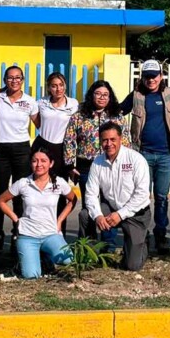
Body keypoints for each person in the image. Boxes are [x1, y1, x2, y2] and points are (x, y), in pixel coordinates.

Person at [120, 60, 170, 255]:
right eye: (147, 76)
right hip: (142, 155)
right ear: (142, 78)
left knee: (162, 198)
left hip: (165, 155)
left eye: (154, 76)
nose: (151, 80)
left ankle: (161, 235)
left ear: (161, 76)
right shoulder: (136, 96)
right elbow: (118, 112)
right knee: (141, 197)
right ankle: (142, 235)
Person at [63, 80, 130, 245]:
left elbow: (125, 141)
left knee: (109, 204)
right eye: (98, 94)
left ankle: (108, 244)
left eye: (105, 95)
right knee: (89, 205)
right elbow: (69, 140)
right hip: (87, 166)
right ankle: (89, 244)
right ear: (91, 95)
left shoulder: (117, 116)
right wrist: (70, 165)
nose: (102, 97)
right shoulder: (79, 116)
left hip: (111, 166)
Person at [0, 148, 77, 278]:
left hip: (50, 233)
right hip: (28, 235)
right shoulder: (23, 183)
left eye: (43, 161)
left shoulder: (58, 183)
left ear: (51, 163)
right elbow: (1, 200)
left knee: (68, 260)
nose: (39, 164)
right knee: (32, 275)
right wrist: (16, 219)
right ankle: (26, 262)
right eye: (35, 161)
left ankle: (45, 258)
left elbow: (73, 200)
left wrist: (60, 220)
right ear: (31, 163)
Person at [81, 122, 151, 271]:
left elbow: (142, 194)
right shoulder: (97, 163)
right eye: (105, 140)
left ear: (120, 139)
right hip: (111, 208)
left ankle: (143, 241)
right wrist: (98, 216)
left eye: (113, 139)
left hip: (135, 213)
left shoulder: (136, 160)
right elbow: (91, 194)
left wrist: (120, 214)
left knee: (131, 266)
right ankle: (90, 256)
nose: (109, 144)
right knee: (86, 215)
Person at [0, 66, 39, 254]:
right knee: (0, 192)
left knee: (20, 193)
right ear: (5, 80)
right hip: (0, 149)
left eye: (18, 77)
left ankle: (18, 232)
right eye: (10, 77)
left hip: (21, 150)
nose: (14, 81)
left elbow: (40, 124)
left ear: (23, 80)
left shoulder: (30, 101)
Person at [33, 72, 79, 236]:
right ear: (48, 88)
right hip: (42, 147)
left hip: (61, 152)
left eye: (61, 85)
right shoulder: (41, 103)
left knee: (59, 192)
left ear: (65, 86)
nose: (58, 89)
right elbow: (36, 121)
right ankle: (38, 232)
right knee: (38, 191)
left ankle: (59, 233)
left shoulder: (74, 104)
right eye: (54, 86)